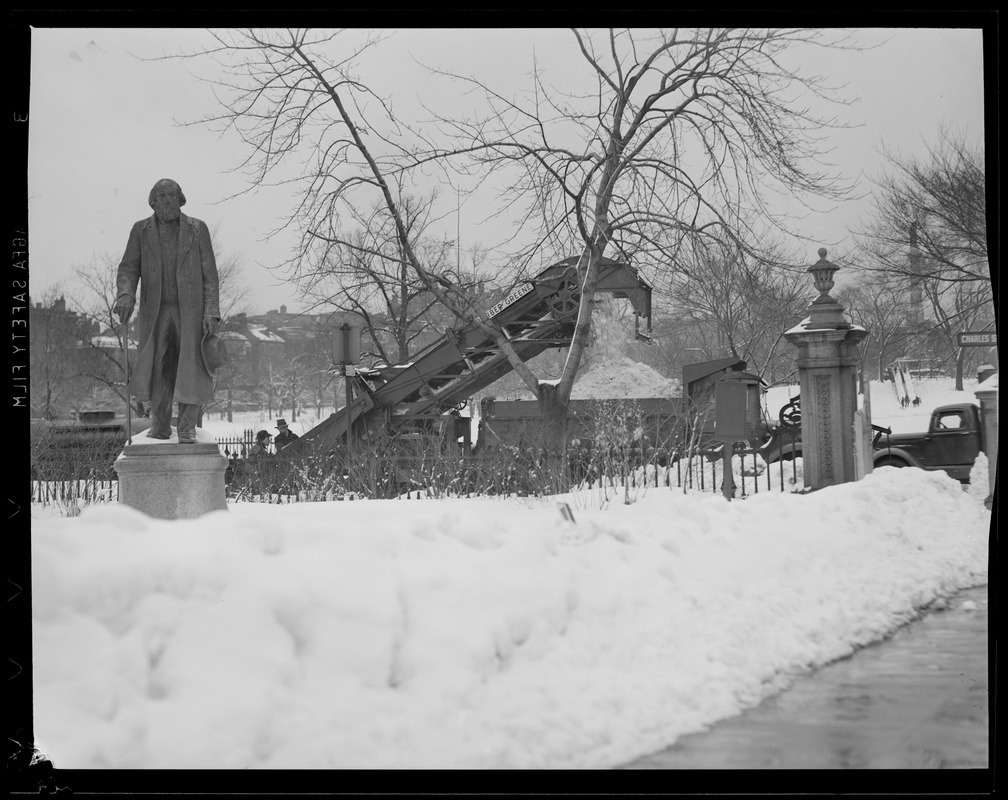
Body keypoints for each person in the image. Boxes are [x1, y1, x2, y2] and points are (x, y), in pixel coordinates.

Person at [113, 179, 221, 444]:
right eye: (161, 196)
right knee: (159, 368)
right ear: (153, 201)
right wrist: (126, 294)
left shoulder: (198, 229)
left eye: (172, 195)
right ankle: (159, 426)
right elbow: (128, 267)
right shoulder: (141, 230)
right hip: (156, 311)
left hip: (192, 312)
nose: (167, 200)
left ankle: (187, 428)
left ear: (181, 199)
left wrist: (211, 311)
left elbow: (210, 275)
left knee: (191, 367)